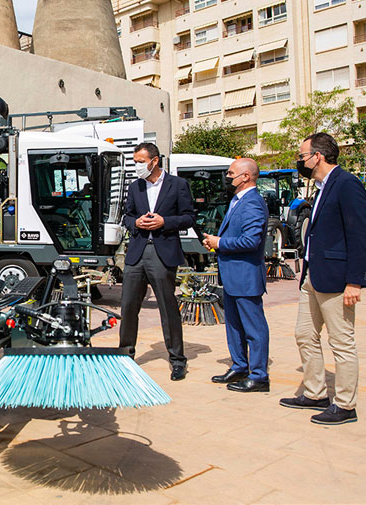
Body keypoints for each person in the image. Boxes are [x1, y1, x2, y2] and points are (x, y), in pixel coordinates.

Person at [280, 133, 366, 425]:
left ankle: (345, 404)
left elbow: (358, 234)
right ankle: (315, 392)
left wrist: (355, 281)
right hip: (312, 277)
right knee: (305, 335)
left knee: (341, 342)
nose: (300, 161)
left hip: (337, 279)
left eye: (303, 156)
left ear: (318, 156)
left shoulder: (347, 184)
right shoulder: (320, 188)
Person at [120, 142, 195, 380]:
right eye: (135, 162)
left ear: (154, 161)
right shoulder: (135, 187)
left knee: (167, 307)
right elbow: (127, 216)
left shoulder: (178, 185)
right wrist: (136, 223)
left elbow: (189, 217)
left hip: (163, 252)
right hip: (137, 252)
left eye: (140, 162)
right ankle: (125, 356)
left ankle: (177, 360)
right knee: (129, 306)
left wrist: (165, 222)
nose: (137, 166)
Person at [203, 158, 270, 393]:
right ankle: (240, 365)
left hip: (245, 276)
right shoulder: (237, 200)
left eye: (231, 173)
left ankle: (259, 375)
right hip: (232, 276)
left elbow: (251, 240)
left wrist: (220, 242)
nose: (227, 177)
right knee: (233, 325)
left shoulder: (252, 202)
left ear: (246, 177)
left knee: (253, 327)